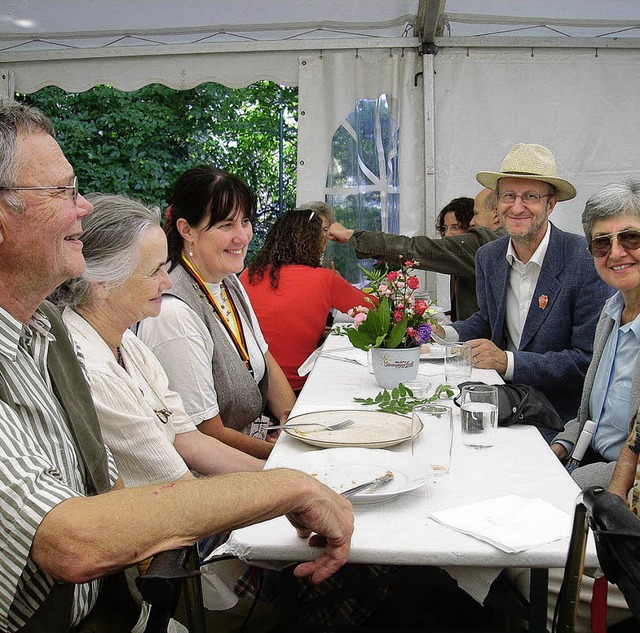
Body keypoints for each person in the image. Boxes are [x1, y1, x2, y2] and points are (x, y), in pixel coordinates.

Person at [0, 99, 353, 632]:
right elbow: (74, 540)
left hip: (115, 601)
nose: (85, 207)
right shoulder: (79, 344)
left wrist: (295, 472)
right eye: (63, 191)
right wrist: (289, 484)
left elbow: (129, 473)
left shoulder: (44, 336)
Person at [51, 193, 264, 487]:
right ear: (100, 284)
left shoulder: (126, 341)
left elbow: (189, 440)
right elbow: (179, 487)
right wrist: (283, 486)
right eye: (155, 271)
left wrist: (278, 473)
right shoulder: (94, 371)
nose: (167, 282)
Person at [439, 143, 613, 427]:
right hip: (502, 400)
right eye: (509, 195)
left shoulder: (584, 259)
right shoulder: (489, 257)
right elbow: (487, 320)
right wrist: (440, 334)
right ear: (496, 202)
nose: (517, 207)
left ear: (551, 203)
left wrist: (506, 362)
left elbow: (585, 362)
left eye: (530, 196)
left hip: (556, 417)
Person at [137, 166, 297, 460]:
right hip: (212, 472)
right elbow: (205, 432)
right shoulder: (174, 313)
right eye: (226, 225)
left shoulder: (228, 280)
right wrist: (284, 455)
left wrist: (296, 426)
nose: (242, 237)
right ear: (187, 230)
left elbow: (265, 358)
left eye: (245, 221)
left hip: (254, 448)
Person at [550, 179, 640, 489]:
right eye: (602, 243)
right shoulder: (611, 312)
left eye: (631, 238)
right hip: (585, 459)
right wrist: (558, 447)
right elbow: (591, 414)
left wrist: (568, 479)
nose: (616, 253)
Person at [239, 204, 373, 392]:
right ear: (313, 242)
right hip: (299, 385)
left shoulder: (249, 274)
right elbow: (375, 310)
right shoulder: (325, 279)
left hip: (254, 384)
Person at [327, 190, 507, 320]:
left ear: (496, 216)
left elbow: (413, 248)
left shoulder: (481, 243)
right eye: (445, 228)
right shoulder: (493, 244)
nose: (472, 222)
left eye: (475, 214)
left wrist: (352, 235)